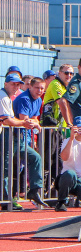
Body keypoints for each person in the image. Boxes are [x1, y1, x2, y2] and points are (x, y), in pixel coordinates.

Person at [11, 76, 47, 207]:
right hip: (14, 137)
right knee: (33, 159)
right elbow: (25, 120)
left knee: (20, 167)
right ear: (30, 87)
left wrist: (35, 125)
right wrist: (35, 124)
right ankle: (32, 190)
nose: (39, 91)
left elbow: (34, 119)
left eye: (42, 88)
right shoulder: (25, 98)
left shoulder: (38, 100)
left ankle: (25, 193)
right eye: (37, 87)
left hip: (26, 138)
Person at [1, 73, 33, 209]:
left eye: (18, 84)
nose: (16, 86)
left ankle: (7, 199)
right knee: (5, 167)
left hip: (6, 135)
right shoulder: (3, 97)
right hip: (4, 135)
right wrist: (24, 123)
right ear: (5, 84)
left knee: (7, 167)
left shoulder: (6, 97)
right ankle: (6, 200)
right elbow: (7, 120)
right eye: (13, 83)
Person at [42, 64, 74, 130]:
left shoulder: (65, 87)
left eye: (71, 73)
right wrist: (69, 123)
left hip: (60, 127)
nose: (69, 75)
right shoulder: (56, 84)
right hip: (51, 126)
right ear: (59, 73)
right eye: (66, 73)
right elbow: (61, 103)